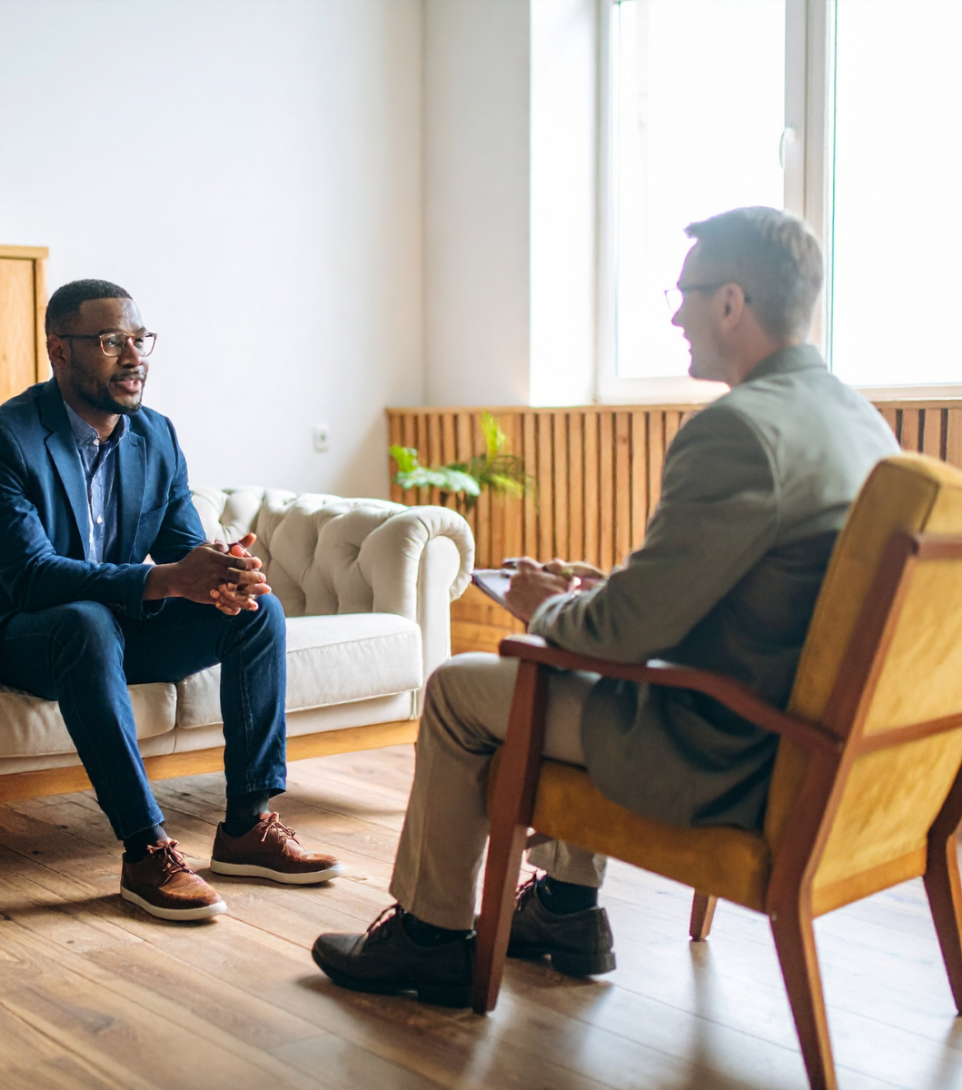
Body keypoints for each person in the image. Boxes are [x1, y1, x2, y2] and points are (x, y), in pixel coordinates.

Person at [311, 206, 900, 1005]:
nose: (674, 312)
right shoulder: (860, 423)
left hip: (722, 752)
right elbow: (752, 593)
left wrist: (541, 607)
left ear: (732, 302)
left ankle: (430, 937)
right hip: (821, 743)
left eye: (684, 291)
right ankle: (562, 908)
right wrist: (601, 592)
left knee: (459, 687)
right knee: (571, 651)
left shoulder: (738, 432)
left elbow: (619, 639)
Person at [0, 279, 342, 921]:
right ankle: (145, 851)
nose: (134, 357)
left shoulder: (155, 436)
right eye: (111, 342)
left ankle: (248, 826)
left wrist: (223, 574)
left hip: (103, 631)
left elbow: (180, 545)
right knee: (83, 622)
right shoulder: (3, 440)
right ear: (60, 351)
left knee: (259, 614)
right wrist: (168, 580)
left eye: (140, 340)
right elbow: (31, 577)